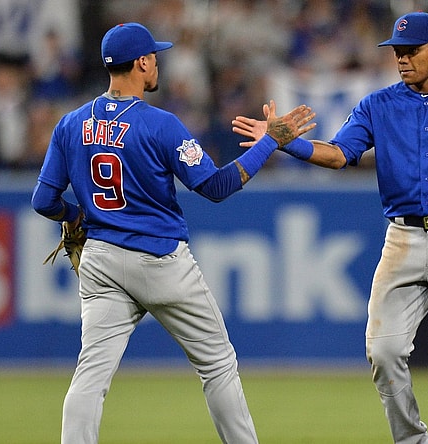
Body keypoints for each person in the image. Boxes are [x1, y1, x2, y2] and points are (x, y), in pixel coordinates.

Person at [232, 11, 428, 444]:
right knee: (383, 351)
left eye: (412, 50)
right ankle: (411, 439)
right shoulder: (377, 104)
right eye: (397, 52)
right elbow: (337, 154)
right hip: (403, 237)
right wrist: (282, 141)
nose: (402, 59)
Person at [31, 22, 315, 444]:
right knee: (217, 365)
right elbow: (216, 187)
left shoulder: (71, 124)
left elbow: (43, 201)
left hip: (101, 259)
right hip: (159, 259)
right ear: (142, 63)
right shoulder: (160, 124)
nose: (157, 62)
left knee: (91, 375)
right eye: (154, 56)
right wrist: (269, 142)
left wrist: (77, 216)